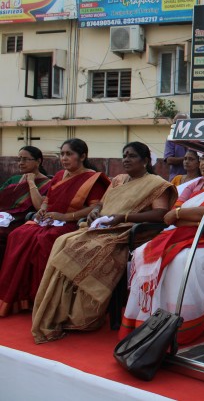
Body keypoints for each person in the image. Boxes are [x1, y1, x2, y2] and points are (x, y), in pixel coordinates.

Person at [31, 142, 176, 343]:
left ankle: (84, 316)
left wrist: (123, 217)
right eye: (124, 155)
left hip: (125, 232)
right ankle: (59, 311)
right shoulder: (118, 179)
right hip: (102, 227)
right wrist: (95, 212)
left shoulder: (156, 184)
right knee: (63, 241)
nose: (126, 159)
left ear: (145, 161)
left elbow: (160, 214)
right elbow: (101, 203)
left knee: (85, 249)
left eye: (132, 156)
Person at [0, 139, 110, 317]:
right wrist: (42, 211)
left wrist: (64, 217)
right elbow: (48, 200)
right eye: (62, 154)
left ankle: (44, 299)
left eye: (69, 154)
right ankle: (20, 298)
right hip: (50, 220)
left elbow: (95, 208)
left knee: (44, 240)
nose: (64, 158)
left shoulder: (93, 179)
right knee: (18, 234)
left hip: (74, 223)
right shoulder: (59, 175)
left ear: (82, 156)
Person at [120, 153, 204, 345]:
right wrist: (189, 216)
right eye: (203, 158)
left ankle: (184, 324)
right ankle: (149, 322)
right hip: (181, 234)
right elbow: (170, 215)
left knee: (183, 262)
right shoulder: (193, 185)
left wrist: (181, 214)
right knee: (144, 254)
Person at [0, 147, 52, 264]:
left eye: (25, 159)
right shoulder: (14, 179)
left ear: (38, 161)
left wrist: (31, 182)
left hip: (22, 220)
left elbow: (39, 206)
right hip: (4, 217)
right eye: (19, 159)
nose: (21, 163)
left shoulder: (47, 183)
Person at [164, 113, 189, 180]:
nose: (178, 126)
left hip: (194, 179)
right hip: (176, 179)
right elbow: (169, 160)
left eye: (182, 123)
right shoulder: (171, 139)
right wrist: (189, 159)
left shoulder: (195, 138)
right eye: (176, 123)